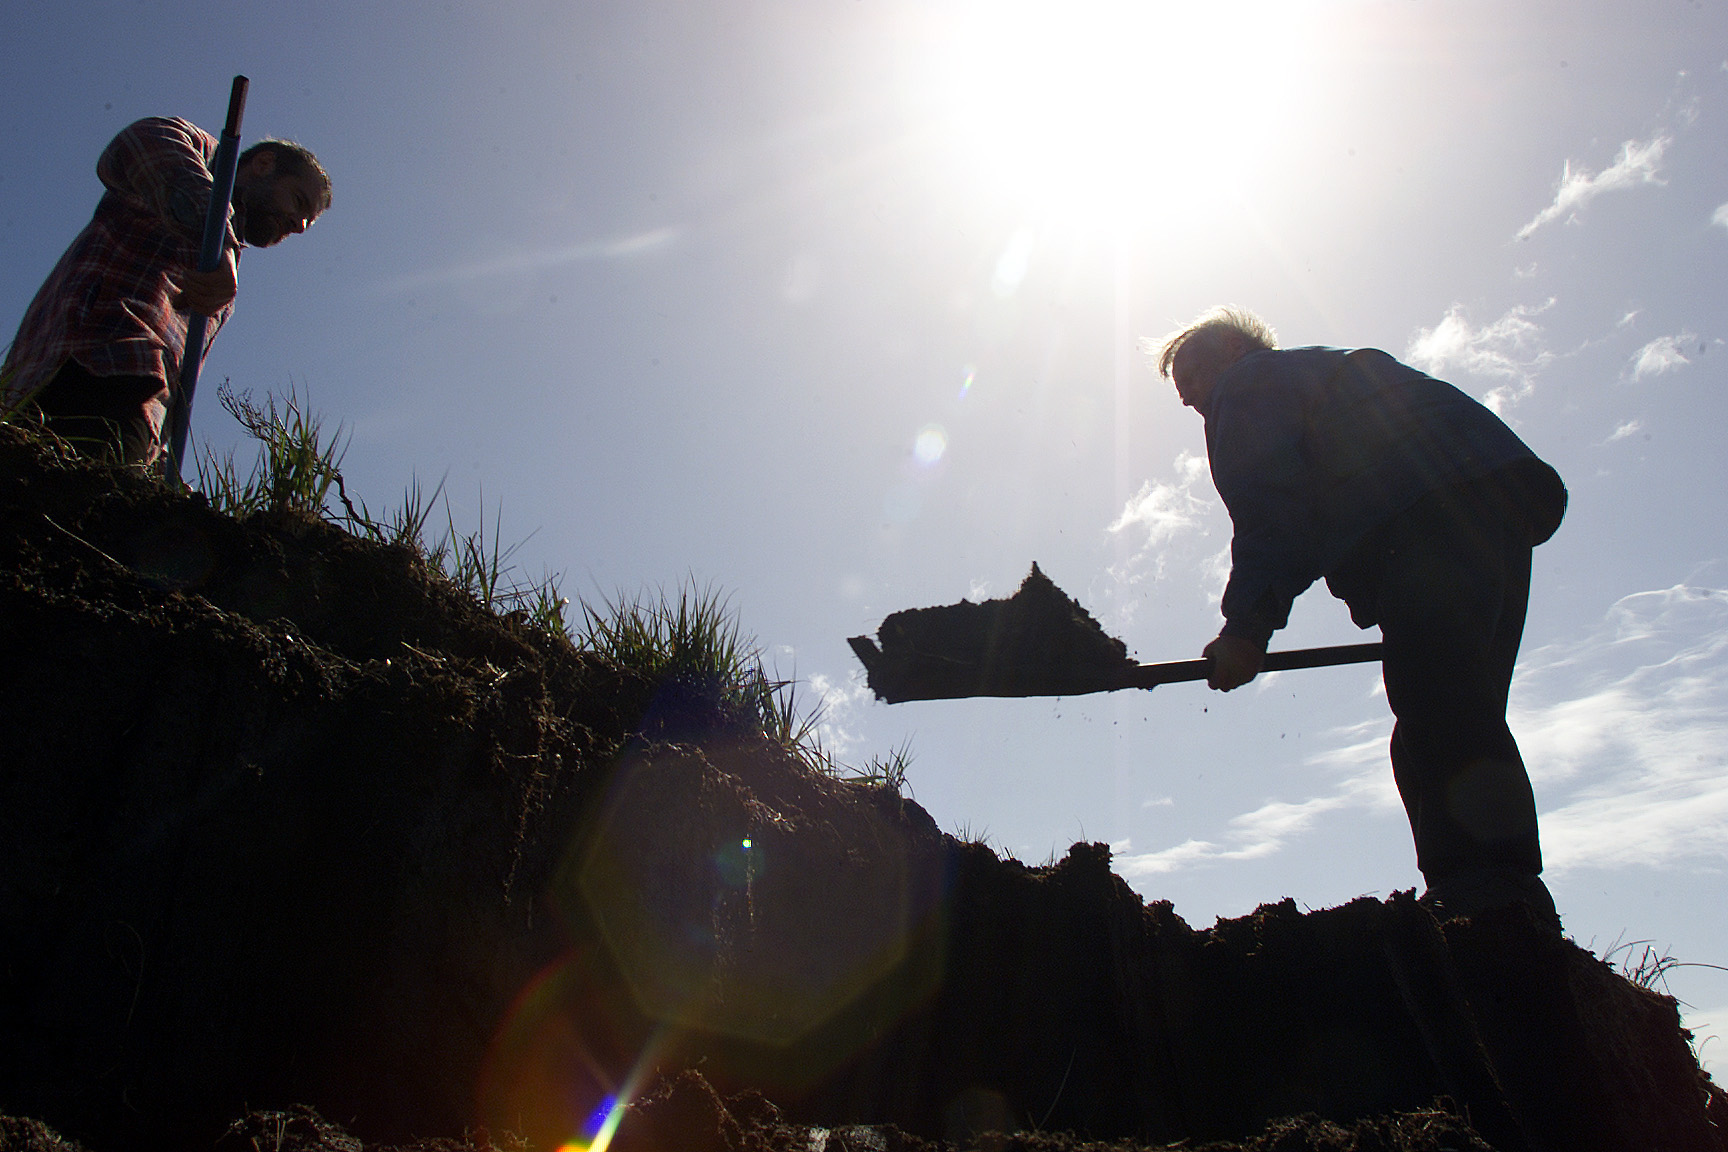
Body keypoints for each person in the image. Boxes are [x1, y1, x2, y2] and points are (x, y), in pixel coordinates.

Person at [1152, 306, 1567, 929]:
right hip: (1496, 500)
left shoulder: (1251, 384)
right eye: (1186, 399)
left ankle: (1484, 897)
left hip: (1427, 508)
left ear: (1235, 352)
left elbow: (1271, 508)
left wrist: (1245, 630)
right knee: (1465, 703)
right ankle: (1507, 892)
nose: (1197, 404)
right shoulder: (1320, 378)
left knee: (1435, 707)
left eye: (1197, 379)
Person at [1, 116, 331, 466]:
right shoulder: (202, 159)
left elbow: (176, 373)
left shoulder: (227, 263)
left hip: (135, 404)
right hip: (92, 368)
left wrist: (157, 458)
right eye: (298, 200)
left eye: (307, 222)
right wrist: (216, 237)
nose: (299, 225)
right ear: (264, 164)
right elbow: (142, 141)